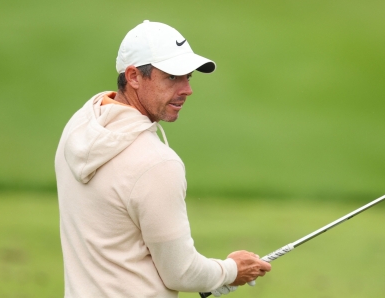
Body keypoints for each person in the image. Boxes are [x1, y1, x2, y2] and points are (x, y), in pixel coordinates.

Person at [55, 20, 271, 298]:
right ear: (133, 76)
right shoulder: (156, 164)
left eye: (188, 77)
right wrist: (231, 270)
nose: (187, 89)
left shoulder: (79, 127)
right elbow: (181, 272)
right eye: (172, 77)